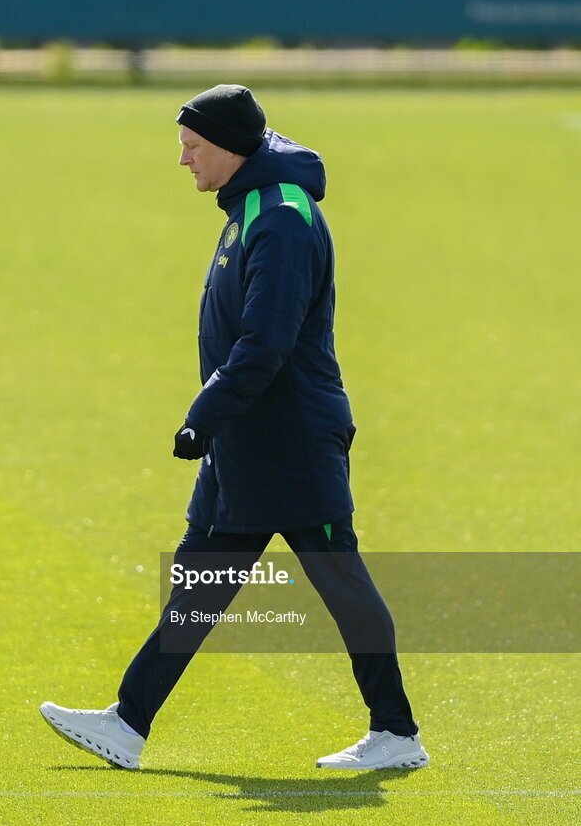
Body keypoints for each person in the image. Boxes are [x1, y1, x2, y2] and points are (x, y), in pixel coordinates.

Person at [40, 85, 428, 772]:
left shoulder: (280, 218)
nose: (183, 160)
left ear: (227, 147)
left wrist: (202, 416)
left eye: (192, 147)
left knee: (340, 580)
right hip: (245, 439)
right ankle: (128, 722)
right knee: (200, 582)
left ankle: (395, 733)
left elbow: (266, 340)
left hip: (289, 441)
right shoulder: (251, 206)